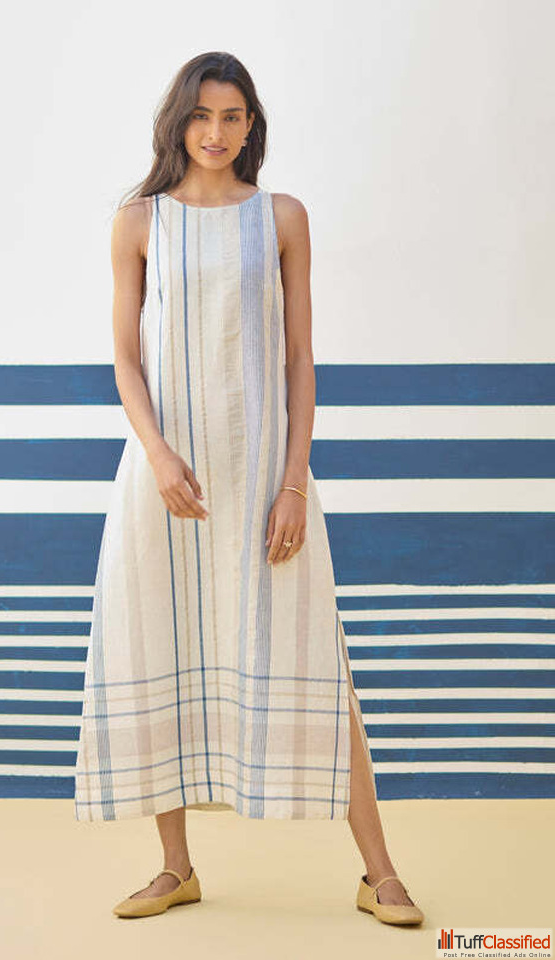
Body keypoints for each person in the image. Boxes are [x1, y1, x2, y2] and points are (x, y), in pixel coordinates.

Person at [74, 50, 424, 926]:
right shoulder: (139, 221)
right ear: (179, 121)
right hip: (168, 481)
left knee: (317, 662)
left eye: (233, 117)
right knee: (157, 645)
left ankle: (380, 873)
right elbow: (125, 359)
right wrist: (158, 456)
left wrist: (294, 482)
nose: (216, 131)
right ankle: (175, 867)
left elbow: (300, 358)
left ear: (251, 125)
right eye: (202, 115)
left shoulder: (281, 217)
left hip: (265, 476)